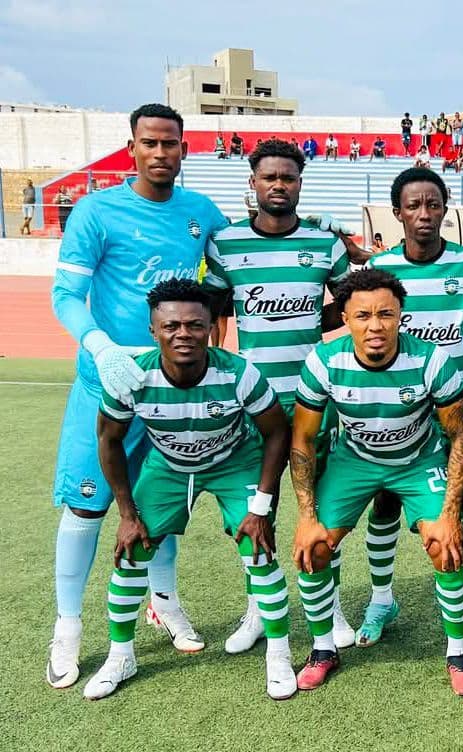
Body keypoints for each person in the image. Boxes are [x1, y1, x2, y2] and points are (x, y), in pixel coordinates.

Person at [47, 104, 228, 690]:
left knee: (159, 505)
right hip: (106, 381)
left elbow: (245, 256)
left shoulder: (201, 212)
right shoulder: (97, 211)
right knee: (86, 507)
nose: (160, 153)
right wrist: (102, 346)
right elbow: (66, 295)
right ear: (132, 147)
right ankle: (67, 627)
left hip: (170, 387)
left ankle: (163, 601)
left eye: (170, 143)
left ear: (183, 149)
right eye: (149, 142)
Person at [82, 278, 294, 700]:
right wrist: (126, 514)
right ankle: (121, 656)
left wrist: (261, 505)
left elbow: (276, 434)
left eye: (195, 325)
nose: (184, 334)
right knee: (131, 552)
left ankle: (280, 654)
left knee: (259, 549)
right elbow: (108, 440)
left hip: (234, 461)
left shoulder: (238, 373)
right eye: (172, 326)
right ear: (153, 331)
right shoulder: (134, 376)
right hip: (170, 464)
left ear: (212, 326)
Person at [202, 138, 367, 653]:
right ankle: (258, 607)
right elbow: (211, 307)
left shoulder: (326, 246)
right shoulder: (223, 245)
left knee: (319, 505)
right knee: (259, 507)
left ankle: (331, 606)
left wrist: (306, 326)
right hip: (253, 401)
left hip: (317, 397)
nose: (279, 185)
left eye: (288, 177)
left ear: (300, 183)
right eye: (269, 177)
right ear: (252, 183)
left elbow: (351, 304)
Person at [289, 268, 463, 694]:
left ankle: (458, 652)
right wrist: (306, 514)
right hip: (354, 461)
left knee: (445, 547)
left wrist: (449, 514)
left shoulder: (432, 361)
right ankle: (322, 649)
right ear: (346, 319)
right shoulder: (324, 361)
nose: (375, 326)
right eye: (363, 316)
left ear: (401, 316)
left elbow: (459, 437)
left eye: (386, 314)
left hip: (418, 460)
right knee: (313, 548)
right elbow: (302, 439)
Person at [364, 168, 463, 651]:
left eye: (433, 205)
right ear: (397, 213)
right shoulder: (381, 272)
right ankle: (383, 598)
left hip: (456, 410)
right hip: (395, 410)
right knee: (385, 499)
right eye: (414, 206)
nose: (424, 215)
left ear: (446, 210)